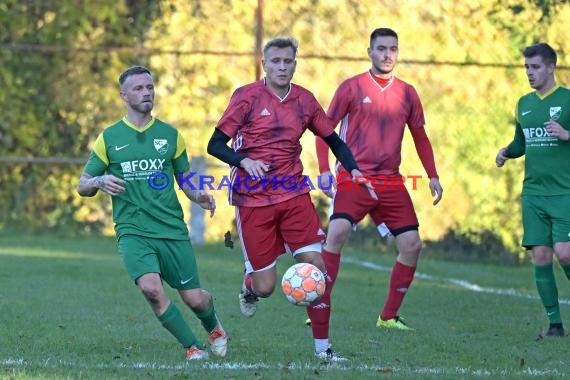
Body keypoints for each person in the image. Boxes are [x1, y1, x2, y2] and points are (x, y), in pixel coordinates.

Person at [207, 37, 373, 361]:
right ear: (264, 64)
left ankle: (323, 351)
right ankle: (249, 285)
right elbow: (214, 144)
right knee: (266, 286)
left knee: (317, 270)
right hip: (252, 200)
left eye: (288, 61)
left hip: (294, 194)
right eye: (276, 61)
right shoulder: (246, 97)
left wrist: (354, 170)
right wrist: (243, 160)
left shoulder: (305, 100)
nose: (282, 67)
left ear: (295, 64)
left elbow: (334, 140)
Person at [77, 66, 228, 360]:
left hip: (171, 228)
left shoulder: (170, 135)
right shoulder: (109, 138)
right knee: (151, 290)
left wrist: (199, 196)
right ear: (123, 95)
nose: (146, 93)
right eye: (138, 88)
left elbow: (184, 180)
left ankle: (214, 327)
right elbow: (83, 185)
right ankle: (192, 347)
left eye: (149, 87)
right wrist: (99, 181)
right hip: (132, 230)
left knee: (195, 300)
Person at [313, 27, 443, 341]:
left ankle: (388, 316)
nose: (387, 55)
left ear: (398, 53)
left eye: (393, 49)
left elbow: (420, 137)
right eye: (381, 48)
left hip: (390, 181)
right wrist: (324, 169)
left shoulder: (408, 93)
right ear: (369, 51)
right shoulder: (352, 87)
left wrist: (433, 175)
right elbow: (324, 130)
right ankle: (319, 306)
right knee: (337, 232)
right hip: (354, 177)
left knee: (412, 245)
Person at [496, 42, 570, 337]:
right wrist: (506, 152)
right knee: (541, 256)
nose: (530, 72)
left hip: (564, 193)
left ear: (551, 67)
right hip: (533, 194)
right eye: (527, 67)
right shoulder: (523, 104)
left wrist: (567, 134)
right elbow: (522, 142)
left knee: (564, 254)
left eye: (535, 67)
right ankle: (555, 324)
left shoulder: (567, 99)